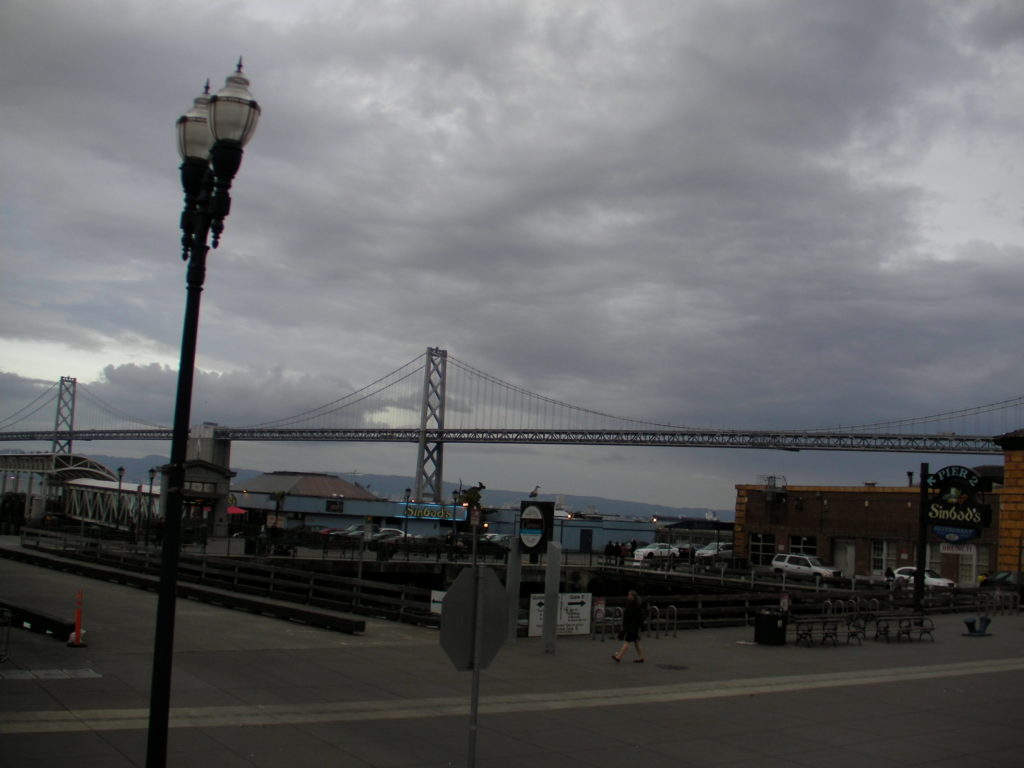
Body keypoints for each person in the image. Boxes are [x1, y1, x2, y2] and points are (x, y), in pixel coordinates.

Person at [611, 590, 646, 663]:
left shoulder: (636, 606)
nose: (628, 596)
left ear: (633, 597)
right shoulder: (630, 604)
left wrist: (642, 627)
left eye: (629, 595)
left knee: (627, 641)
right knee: (636, 642)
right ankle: (641, 657)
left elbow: (640, 617)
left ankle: (619, 656)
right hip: (630, 626)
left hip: (633, 627)